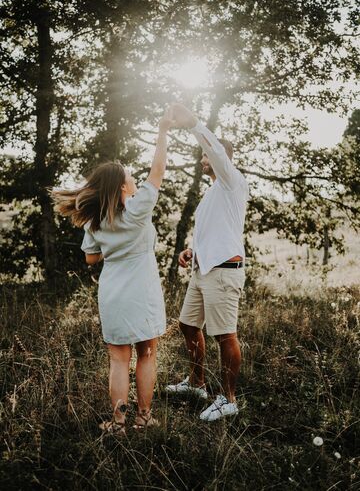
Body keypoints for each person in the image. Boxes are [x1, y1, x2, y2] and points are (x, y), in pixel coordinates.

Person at [52, 108, 175, 434]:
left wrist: (115, 251)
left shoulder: (94, 220)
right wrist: (163, 129)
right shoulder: (138, 208)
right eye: (131, 178)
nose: (136, 180)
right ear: (122, 187)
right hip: (143, 291)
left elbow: (91, 261)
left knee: (118, 361)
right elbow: (159, 169)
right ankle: (144, 419)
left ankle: (118, 423)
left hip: (113, 293)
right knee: (146, 355)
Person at [166, 103, 249, 422]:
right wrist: (191, 251)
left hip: (224, 272)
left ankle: (228, 399)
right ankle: (197, 383)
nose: (203, 160)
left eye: (207, 156)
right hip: (204, 271)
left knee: (225, 335)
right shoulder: (215, 192)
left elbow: (214, 150)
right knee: (188, 325)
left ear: (221, 158)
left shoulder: (231, 180)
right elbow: (214, 232)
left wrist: (195, 125)